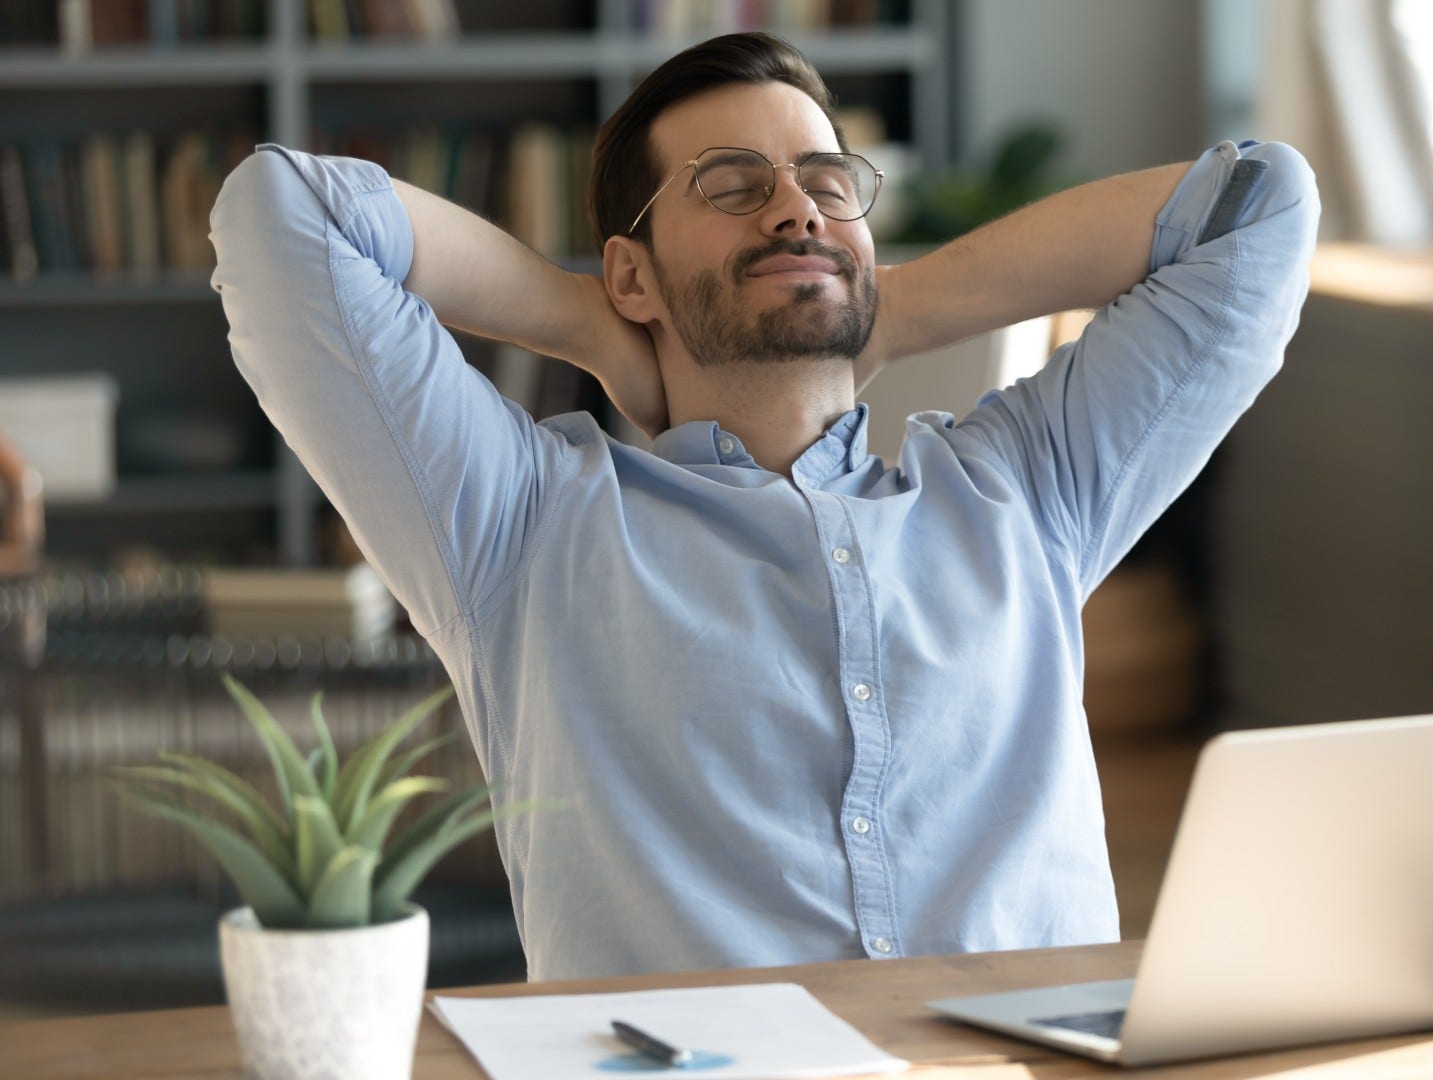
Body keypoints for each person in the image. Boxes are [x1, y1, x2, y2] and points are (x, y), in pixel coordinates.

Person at [208, 32, 1319, 981]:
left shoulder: (1022, 491)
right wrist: (590, 324)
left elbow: (1261, 206)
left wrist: (890, 310)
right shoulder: (522, 524)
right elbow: (283, 215)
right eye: (732, 186)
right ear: (632, 273)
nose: (796, 208)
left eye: (830, 186)